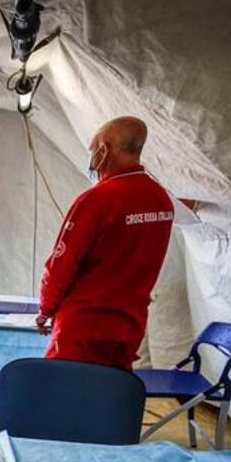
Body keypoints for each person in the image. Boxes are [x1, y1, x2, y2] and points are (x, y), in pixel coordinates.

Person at [35, 116, 175, 371]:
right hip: (128, 327)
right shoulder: (161, 199)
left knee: (64, 392)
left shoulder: (97, 199)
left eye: (92, 149)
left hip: (83, 327)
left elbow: (61, 265)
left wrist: (46, 309)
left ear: (104, 150)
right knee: (109, 393)